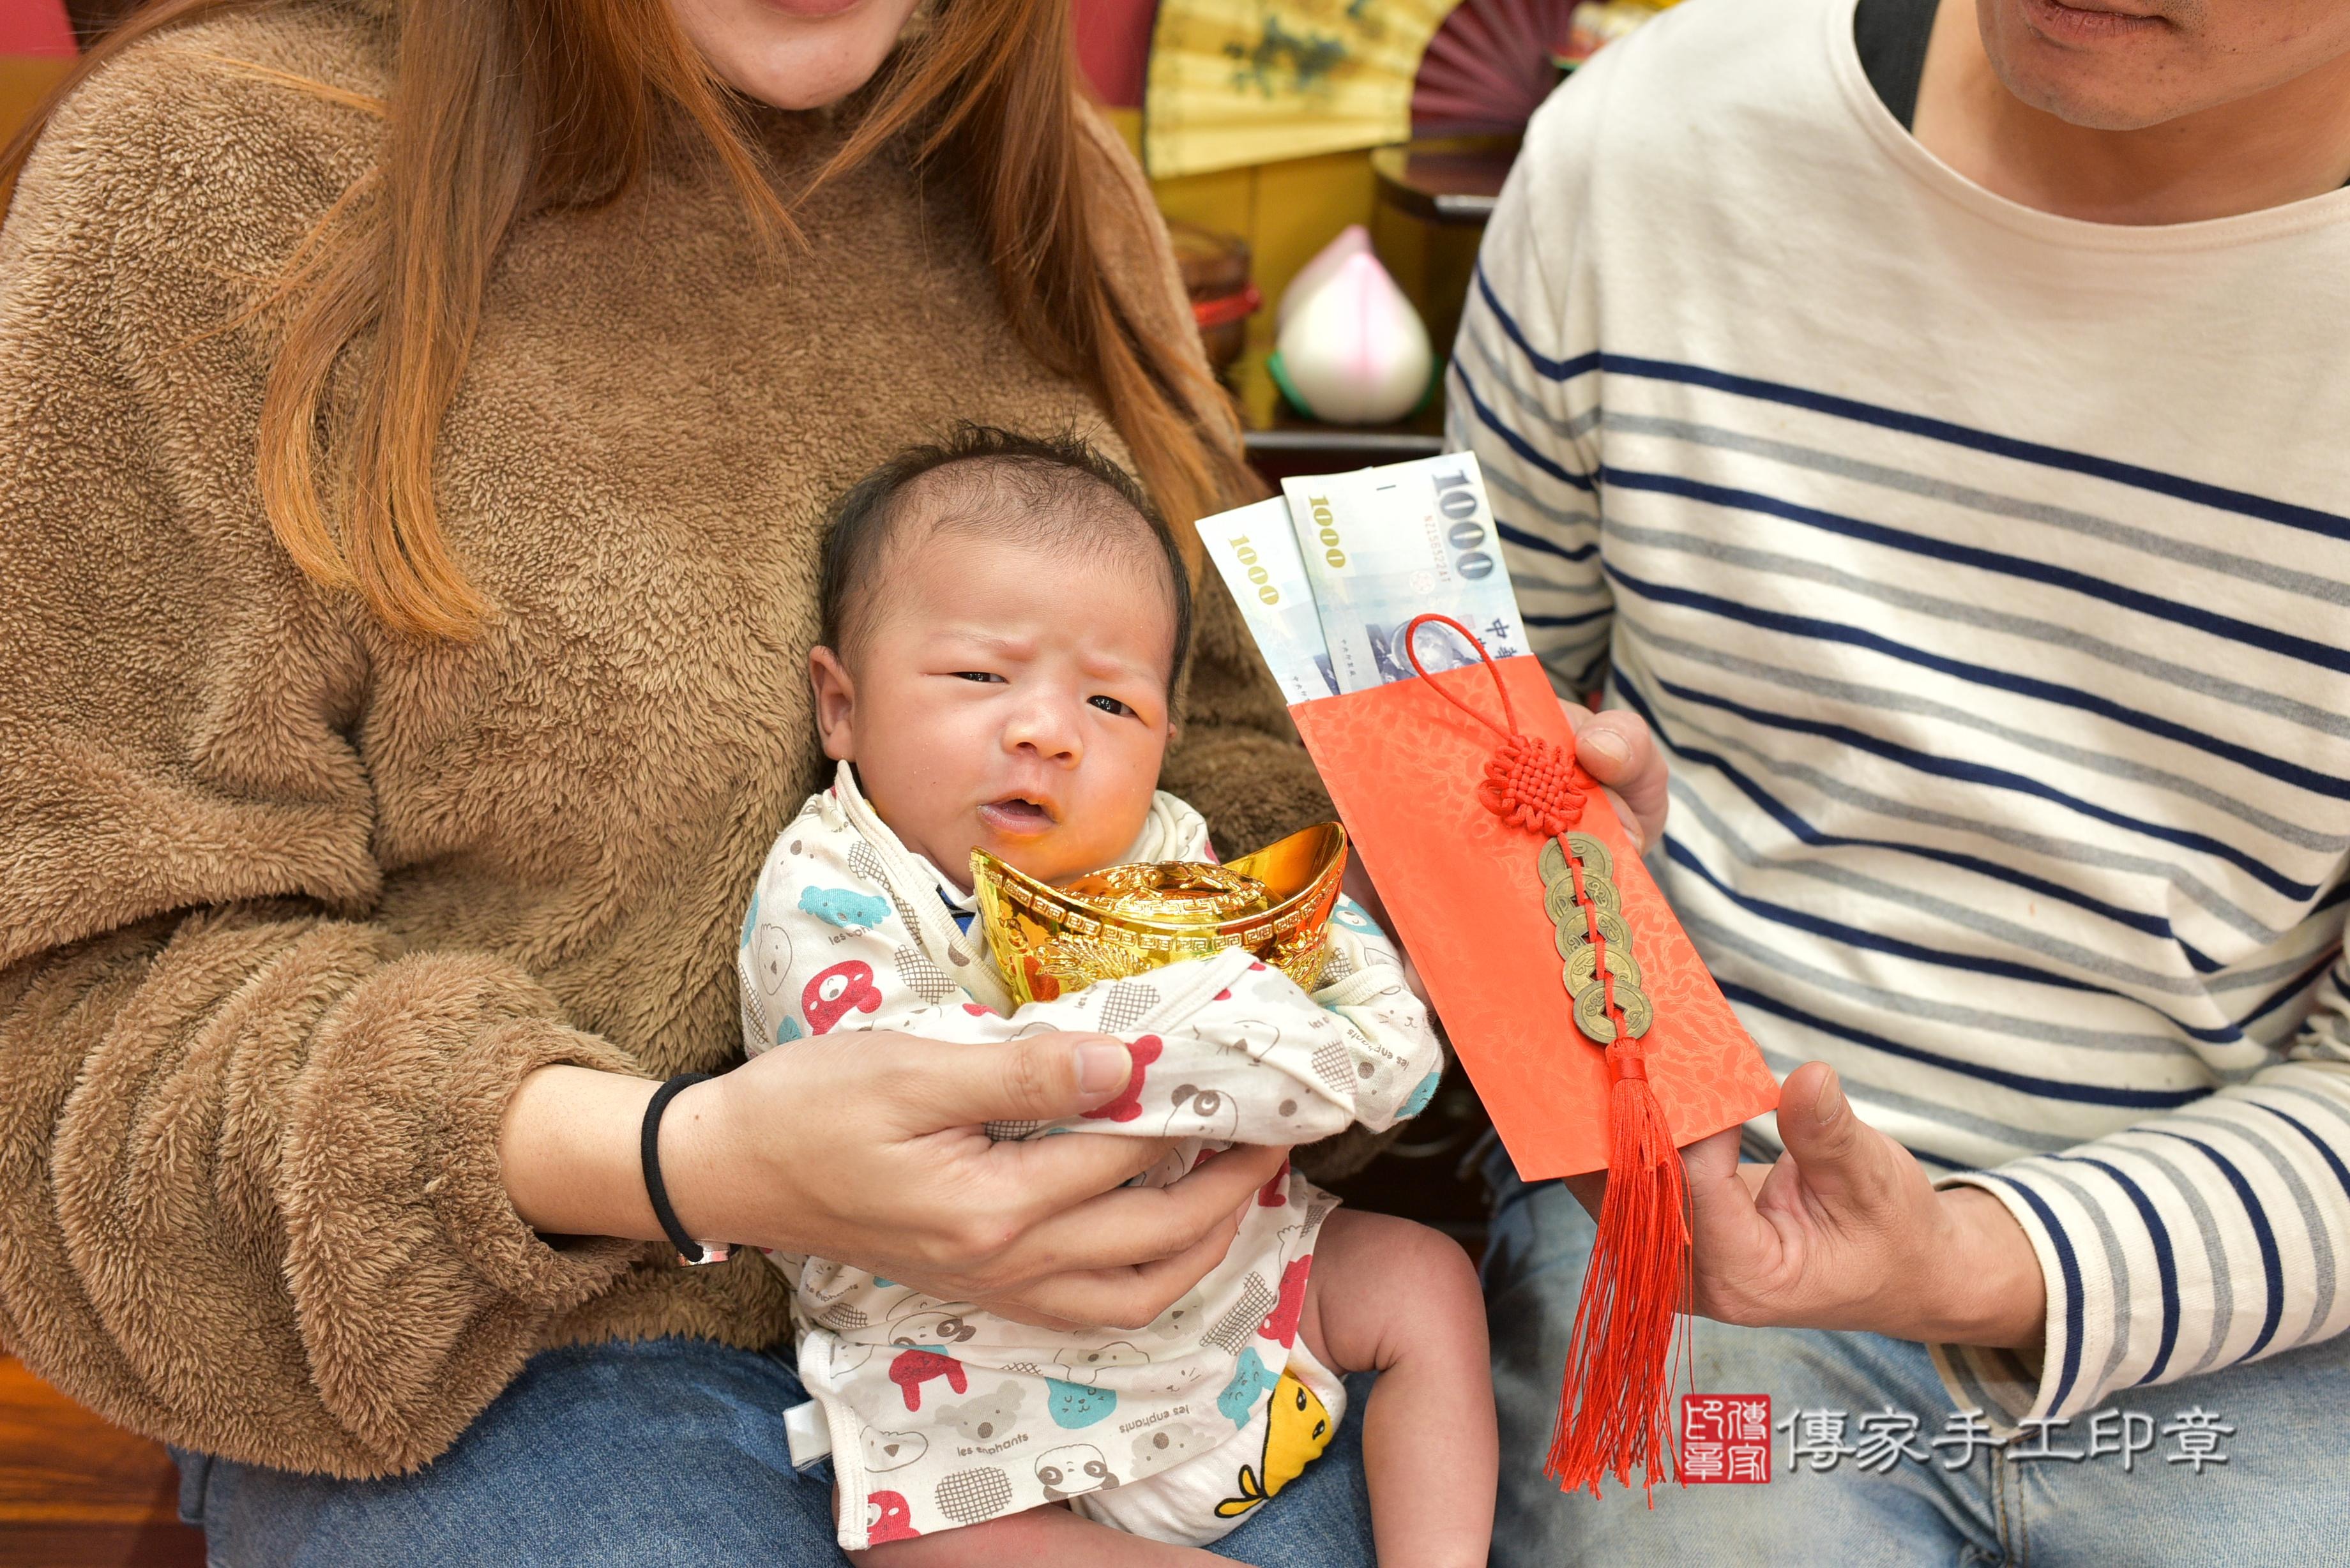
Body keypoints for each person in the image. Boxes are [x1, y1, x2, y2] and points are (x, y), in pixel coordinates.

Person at [0, 1, 1583, 1560]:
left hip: (1152, 1312)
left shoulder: (1043, 177)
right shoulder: (204, 175)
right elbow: (65, 1033)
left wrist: (1469, 838)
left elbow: (1213, 763)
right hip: (537, 1357)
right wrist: (682, 1159)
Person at [1455, 0, 2350, 1559]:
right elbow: (1446, 755)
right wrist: (1554, 898)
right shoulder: (1652, 142)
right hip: (1691, 1205)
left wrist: (1970, 1259)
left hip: (2253, 1285)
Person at [736, 426, 1492, 1564]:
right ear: (840, 705)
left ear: (1164, 744)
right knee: (918, 1534)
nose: (1047, 731)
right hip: (974, 1357)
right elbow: (911, 1087)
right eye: (981, 676)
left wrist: (1343, 993)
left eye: (1111, 705)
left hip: (1236, 1289)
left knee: (1425, 1279)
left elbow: (1321, 972)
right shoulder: (831, 886)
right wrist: (1225, 1034)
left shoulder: (1165, 849)